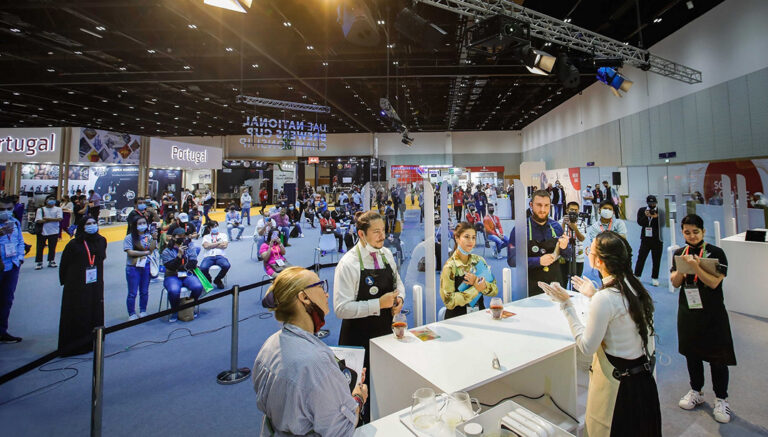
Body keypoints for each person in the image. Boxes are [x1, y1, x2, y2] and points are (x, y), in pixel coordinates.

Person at [539, 231, 661, 437]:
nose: (588, 253)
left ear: (599, 261)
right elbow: (621, 316)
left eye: (591, 250)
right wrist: (593, 294)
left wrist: (566, 304)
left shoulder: (605, 298)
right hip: (643, 383)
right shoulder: (633, 286)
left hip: (620, 391)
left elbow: (587, 347)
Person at [254, 267, 369, 436]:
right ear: (304, 297)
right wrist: (358, 397)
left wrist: (334, 384)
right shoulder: (315, 362)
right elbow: (341, 429)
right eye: (321, 286)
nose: (326, 294)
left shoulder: (269, 344)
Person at [333, 211, 404, 421]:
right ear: (361, 234)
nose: (383, 236)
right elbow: (341, 308)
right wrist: (378, 304)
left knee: (383, 388)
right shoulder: (348, 264)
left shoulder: (386, 255)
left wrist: (399, 298)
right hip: (358, 339)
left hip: (385, 334)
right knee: (356, 398)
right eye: (376, 232)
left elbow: (398, 283)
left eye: (383, 230)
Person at [670, 214, 735, 424]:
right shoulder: (680, 254)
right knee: (692, 354)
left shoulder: (716, 253)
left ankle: (721, 399)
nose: (692, 236)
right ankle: (696, 391)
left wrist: (696, 266)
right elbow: (675, 282)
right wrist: (682, 268)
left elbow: (714, 283)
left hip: (713, 313)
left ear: (703, 232)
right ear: (682, 233)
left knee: (718, 358)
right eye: (687, 232)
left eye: (695, 232)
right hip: (688, 311)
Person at [58, 217, 108, 356]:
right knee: (79, 310)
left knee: (95, 308)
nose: (92, 226)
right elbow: (64, 264)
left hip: (95, 282)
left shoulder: (101, 241)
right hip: (76, 283)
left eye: (94, 223)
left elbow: (101, 258)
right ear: (82, 226)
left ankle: (95, 339)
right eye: (88, 224)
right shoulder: (74, 244)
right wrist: (66, 282)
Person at [507, 190, 570, 297]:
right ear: (531, 205)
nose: (543, 210)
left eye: (546, 205)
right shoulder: (520, 229)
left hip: (555, 284)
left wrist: (564, 247)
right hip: (530, 286)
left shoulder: (556, 227)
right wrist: (538, 261)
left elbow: (568, 255)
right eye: (539, 205)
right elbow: (512, 260)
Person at [440, 222, 499, 319]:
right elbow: (449, 301)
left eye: (473, 237)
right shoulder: (450, 266)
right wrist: (476, 288)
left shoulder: (479, 261)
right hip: (457, 319)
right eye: (466, 237)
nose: (471, 241)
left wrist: (482, 284)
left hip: (479, 316)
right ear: (457, 238)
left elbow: (495, 290)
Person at [161, 228, 204, 322]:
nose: (183, 238)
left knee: (198, 287)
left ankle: (190, 306)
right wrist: (179, 256)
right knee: (174, 290)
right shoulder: (166, 251)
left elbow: (193, 263)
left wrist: (181, 267)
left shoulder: (190, 246)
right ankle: (175, 311)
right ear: (173, 237)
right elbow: (171, 267)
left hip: (187, 274)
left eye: (184, 236)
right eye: (180, 236)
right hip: (172, 276)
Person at [0, 197, 26, 343]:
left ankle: (2, 331)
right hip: (1, 265)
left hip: (13, 266)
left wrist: (20, 258)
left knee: (7, 300)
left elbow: (20, 241)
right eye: (1, 209)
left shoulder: (15, 223)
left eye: (9, 209)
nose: (5, 212)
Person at [123, 217, 156, 320]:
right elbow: (130, 252)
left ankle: (143, 310)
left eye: (144, 223)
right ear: (135, 225)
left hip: (146, 266)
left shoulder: (148, 236)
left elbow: (151, 250)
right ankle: (131, 313)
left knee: (144, 291)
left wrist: (155, 238)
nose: (142, 225)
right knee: (132, 292)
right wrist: (144, 253)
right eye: (139, 223)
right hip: (133, 267)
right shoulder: (129, 237)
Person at [634, 195, 663, 287]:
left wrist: (656, 217)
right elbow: (640, 222)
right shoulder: (642, 210)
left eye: (654, 203)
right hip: (645, 239)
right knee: (641, 257)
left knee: (656, 259)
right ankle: (637, 276)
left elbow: (663, 224)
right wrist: (646, 216)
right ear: (647, 203)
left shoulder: (660, 211)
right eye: (650, 203)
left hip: (657, 239)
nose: (652, 205)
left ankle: (655, 277)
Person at [560, 201, 588, 287]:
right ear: (567, 210)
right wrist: (563, 224)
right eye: (571, 210)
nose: (574, 212)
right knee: (563, 281)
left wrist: (575, 228)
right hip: (564, 257)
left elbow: (582, 238)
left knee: (577, 282)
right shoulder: (561, 221)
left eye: (576, 210)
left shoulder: (582, 223)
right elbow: (558, 237)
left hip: (578, 256)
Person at [34, 195, 63, 270]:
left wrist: (47, 219)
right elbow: (38, 220)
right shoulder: (40, 209)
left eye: (53, 199)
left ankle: (51, 260)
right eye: (50, 199)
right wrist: (52, 219)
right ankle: (39, 262)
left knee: (52, 247)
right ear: (46, 201)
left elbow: (59, 219)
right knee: (40, 247)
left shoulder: (58, 209)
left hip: (54, 231)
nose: (52, 201)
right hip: (42, 231)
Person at [199, 220, 230, 289]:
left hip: (220, 256)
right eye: (212, 227)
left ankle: (217, 280)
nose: (215, 228)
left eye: (216, 226)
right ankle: (208, 279)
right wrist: (218, 243)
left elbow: (224, 246)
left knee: (226, 265)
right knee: (203, 268)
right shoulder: (206, 237)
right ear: (209, 228)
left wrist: (211, 245)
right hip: (208, 257)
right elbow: (206, 246)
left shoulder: (223, 235)